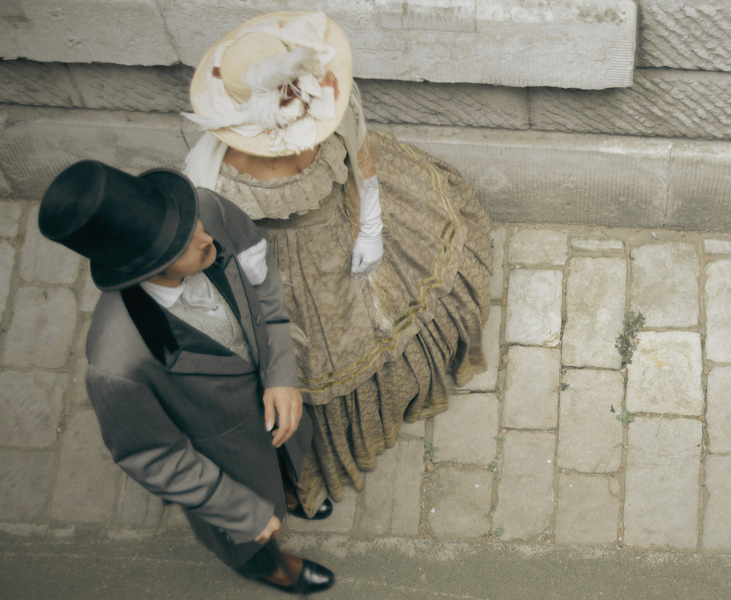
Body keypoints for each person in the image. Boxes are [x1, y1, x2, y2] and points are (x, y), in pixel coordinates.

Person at [181, 11, 492, 513]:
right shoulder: (208, 176)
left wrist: (371, 223)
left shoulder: (321, 94)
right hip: (282, 272)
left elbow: (360, 152)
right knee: (316, 363)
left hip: (346, 220)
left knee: (401, 311)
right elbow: (217, 252)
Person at [39, 160, 335, 594]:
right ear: (144, 269)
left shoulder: (209, 210)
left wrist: (281, 372)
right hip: (226, 461)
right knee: (256, 539)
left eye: (191, 222)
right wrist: (241, 514)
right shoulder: (115, 364)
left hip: (276, 411)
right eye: (181, 244)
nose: (206, 236)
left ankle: (293, 493)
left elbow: (263, 273)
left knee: (288, 466)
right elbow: (156, 457)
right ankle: (272, 569)